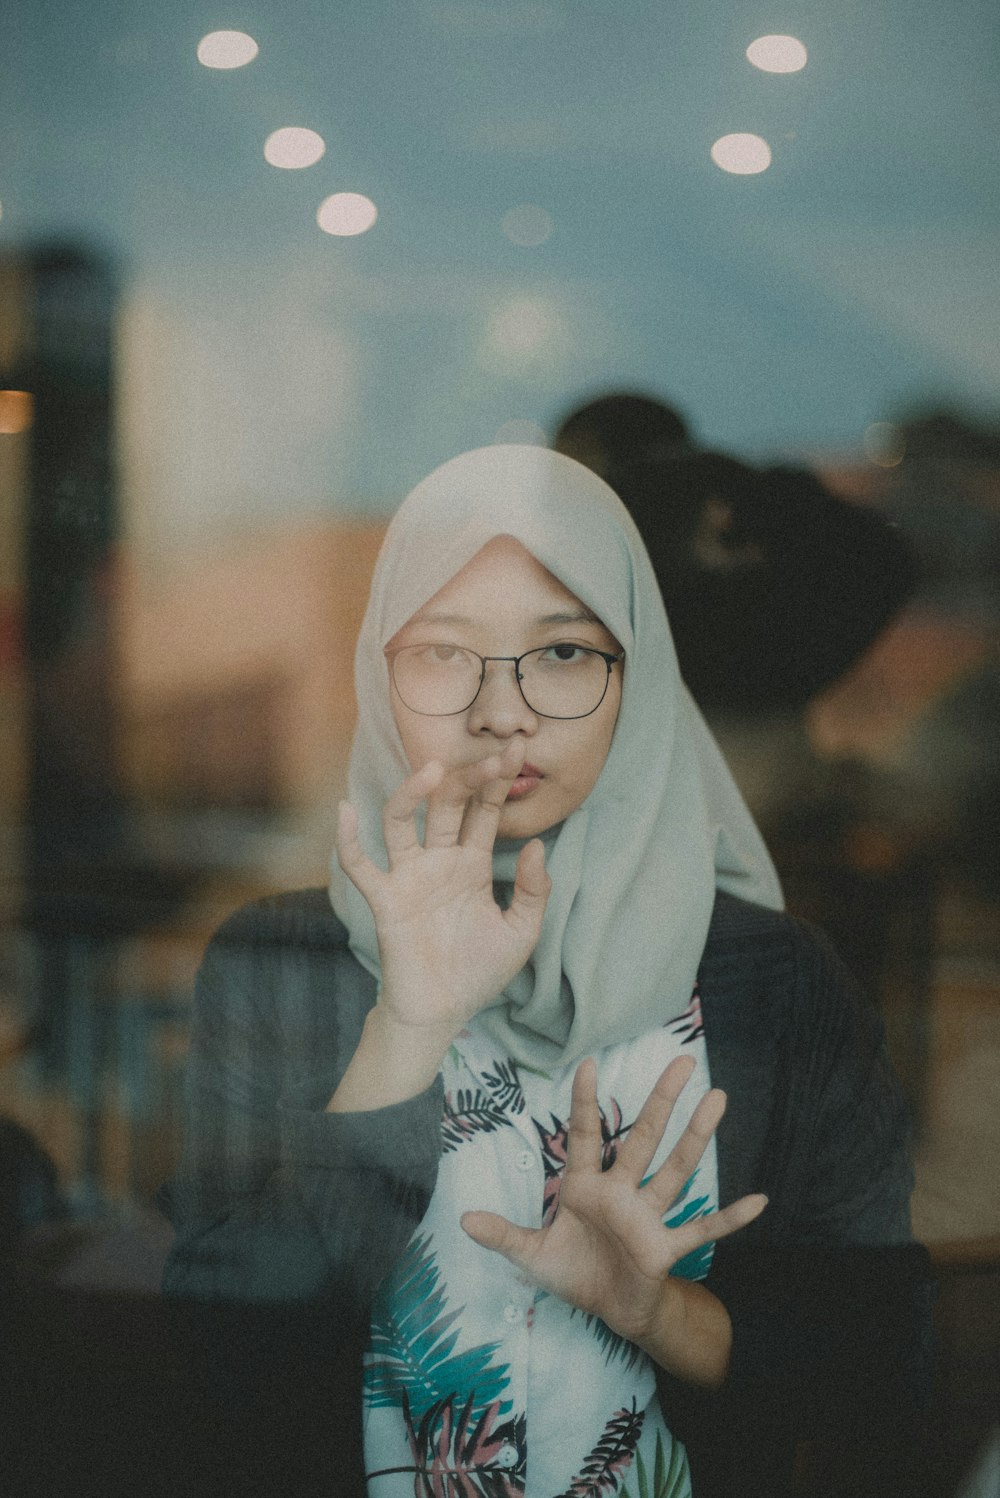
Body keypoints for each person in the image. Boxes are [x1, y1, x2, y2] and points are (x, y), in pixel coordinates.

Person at [161, 446, 934, 1498]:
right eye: (442, 652)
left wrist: (657, 1311)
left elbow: (883, 1374)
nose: (503, 712)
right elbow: (221, 1368)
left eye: (564, 652)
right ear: (376, 675)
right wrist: (409, 1026)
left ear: (640, 675)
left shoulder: (782, 985)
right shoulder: (278, 967)